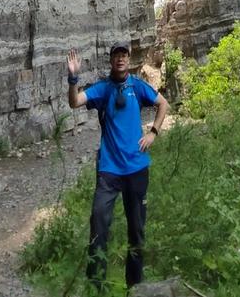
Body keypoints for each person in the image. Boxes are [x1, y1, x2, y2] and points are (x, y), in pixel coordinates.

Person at [66, 42, 169, 291]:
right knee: (98, 225)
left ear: (128, 58)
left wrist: (153, 132)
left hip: (136, 169)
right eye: (116, 56)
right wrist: (73, 78)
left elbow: (163, 103)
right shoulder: (102, 89)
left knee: (136, 232)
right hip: (109, 171)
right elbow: (75, 101)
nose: (120, 59)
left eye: (124, 55)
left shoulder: (137, 85)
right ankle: (96, 286)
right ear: (111, 61)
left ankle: (135, 287)